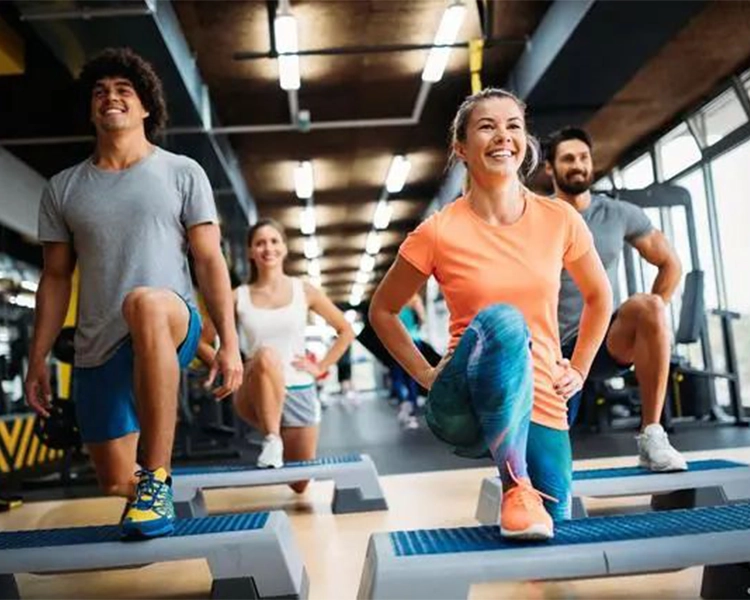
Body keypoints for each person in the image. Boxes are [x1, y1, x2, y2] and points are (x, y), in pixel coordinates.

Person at [369, 88, 612, 540]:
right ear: (461, 148)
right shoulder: (439, 231)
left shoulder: (559, 219)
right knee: (504, 319)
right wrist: (425, 374)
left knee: (552, 528)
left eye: (513, 126)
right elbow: (382, 310)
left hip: (539, 393)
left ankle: (526, 504)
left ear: (525, 142)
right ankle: (515, 486)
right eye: (487, 126)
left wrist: (578, 368)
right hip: (465, 400)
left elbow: (600, 297)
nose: (503, 136)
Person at [24, 48, 243, 540]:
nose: (111, 97)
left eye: (124, 90)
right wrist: (38, 358)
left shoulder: (182, 172)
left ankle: (158, 478)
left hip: (170, 319)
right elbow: (56, 277)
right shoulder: (63, 188)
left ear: (146, 107)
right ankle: (149, 486)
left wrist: (229, 342)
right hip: (97, 343)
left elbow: (209, 259)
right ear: (90, 109)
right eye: (100, 92)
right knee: (113, 479)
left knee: (143, 302)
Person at [545, 127, 686, 472]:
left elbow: (670, 264)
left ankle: (652, 435)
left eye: (583, 157)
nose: (577, 165)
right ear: (550, 168)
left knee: (649, 306)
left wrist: (652, 327)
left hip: (603, 339)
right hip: (552, 349)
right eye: (567, 159)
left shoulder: (619, 213)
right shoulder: (536, 216)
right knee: (547, 465)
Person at [230, 218, 355, 485]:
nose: (268, 248)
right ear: (251, 252)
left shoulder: (304, 291)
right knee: (265, 355)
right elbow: (205, 340)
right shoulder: (237, 296)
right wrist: (231, 367)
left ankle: (275, 440)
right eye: (260, 243)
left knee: (299, 484)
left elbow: (346, 330)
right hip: (254, 388)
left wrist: (321, 367)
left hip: (298, 389)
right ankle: (272, 438)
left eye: (274, 241)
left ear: (284, 248)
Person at [392, 294, 425, 429]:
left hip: (397, 342)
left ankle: (404, 404)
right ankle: (411, 412)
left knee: (398, 376)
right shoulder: (414, 299)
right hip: (413, 340)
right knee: (412, 376)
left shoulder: (393, 301)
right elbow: (422, 319)